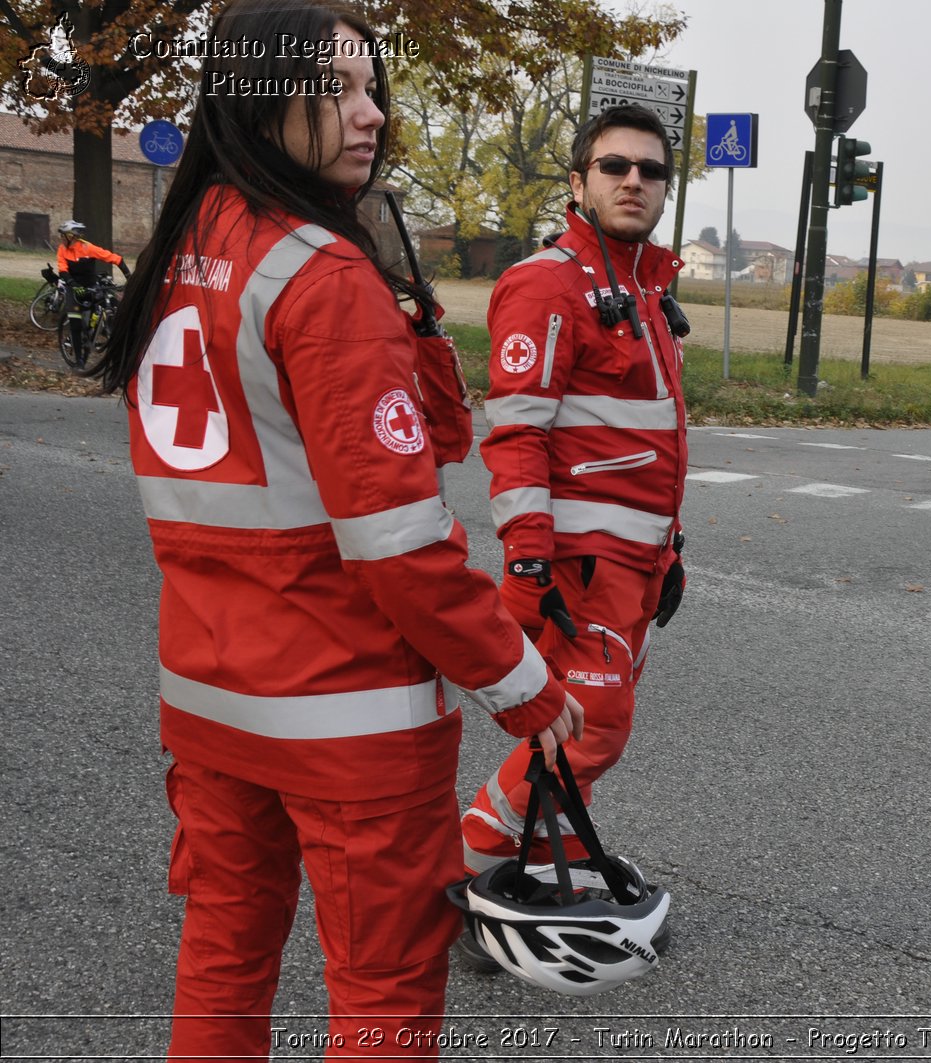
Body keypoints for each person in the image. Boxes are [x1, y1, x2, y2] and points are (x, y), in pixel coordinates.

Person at [94, 1, 581, 1057]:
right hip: (347, 718)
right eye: (343, 92)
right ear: (270, 104)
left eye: (374, 90)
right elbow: (400, 543)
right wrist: (523, 685)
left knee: (223, 957)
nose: (371, 118)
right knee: (385, 994)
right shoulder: (319, 277)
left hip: (211, 700)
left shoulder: (188, 248)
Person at [459, 104, 690, 962]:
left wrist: (671, 550)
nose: (634, 180)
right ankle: (465, 876)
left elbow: (643, 441)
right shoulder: (548, 283)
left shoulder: (644, 288)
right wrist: (526, 560)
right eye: (614, 166)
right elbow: (518, 435)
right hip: (577, 568)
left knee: (585, 730)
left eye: (651, 170)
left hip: (632, 567)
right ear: (579, 181)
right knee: (585, 726)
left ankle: (504, 871)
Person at [55, 219, 130, 355]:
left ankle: (96, 333)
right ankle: (79, 361)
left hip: (90, 286)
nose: (61, 239)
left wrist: (129, 278)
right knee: (76, 324)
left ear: (71, 236)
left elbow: (116, 259)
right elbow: (63, 270)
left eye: (63, 236)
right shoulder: (62, 250)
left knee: (109, 304)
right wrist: (74, 285)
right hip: (73, 288)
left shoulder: (88, 248)